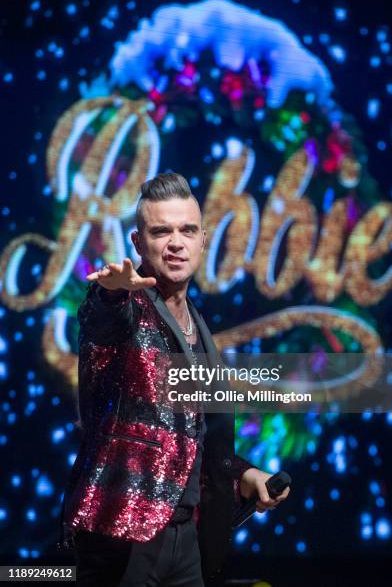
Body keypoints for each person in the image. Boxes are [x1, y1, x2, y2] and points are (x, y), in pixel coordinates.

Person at [60, 173, 290, 586]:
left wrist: (242, 475)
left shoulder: (197, 325)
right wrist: (110, 293)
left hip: (187, 540)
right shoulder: (127, 306)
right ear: (137, 243)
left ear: (203, 239)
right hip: (124, 538)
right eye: (160, 231)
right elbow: (102, 325)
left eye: (187, 230)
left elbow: (187, 434)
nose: (176, 242)